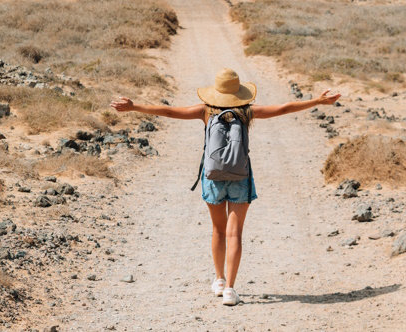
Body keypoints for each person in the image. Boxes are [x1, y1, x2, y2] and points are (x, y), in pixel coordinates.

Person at [110, 68, 341, 306]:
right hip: (241, 176)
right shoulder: (247, 112)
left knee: (218, 230)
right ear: (239, 92)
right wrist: (318, 101)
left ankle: (219, 279)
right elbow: (283, 108)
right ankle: (230, 289)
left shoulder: (206, 111)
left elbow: (169, 111)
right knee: (235, 233)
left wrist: (134, 106)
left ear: (216, 92)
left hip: (212, 177)